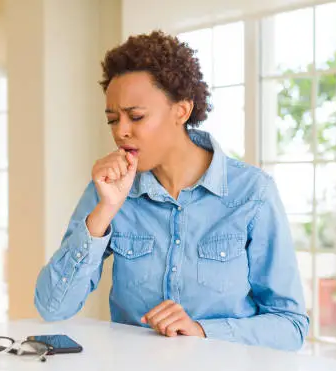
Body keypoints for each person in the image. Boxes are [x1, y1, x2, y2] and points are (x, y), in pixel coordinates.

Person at [34, 30, 309, 351]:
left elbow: (290, 325)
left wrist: (203, 332)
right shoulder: (109, 191)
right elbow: (52, 307)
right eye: (112, 119)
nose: (121, 131)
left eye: (136, 116)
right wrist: (104, 212)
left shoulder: (252, 192)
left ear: (181, 111)